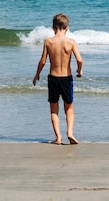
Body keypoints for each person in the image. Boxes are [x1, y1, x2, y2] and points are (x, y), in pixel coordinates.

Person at [33, 13, 83, 145]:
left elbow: (43, 61)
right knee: (69, 109)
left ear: (53, 27)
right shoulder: (71, 42)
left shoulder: (49, 42)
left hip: (53, 78)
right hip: (66, 78)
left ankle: (58, 137)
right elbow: (79, 59)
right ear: (67, 28)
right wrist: (79, 70)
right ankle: (70, 133)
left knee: (54, 110)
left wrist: (37, 74)